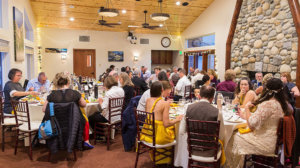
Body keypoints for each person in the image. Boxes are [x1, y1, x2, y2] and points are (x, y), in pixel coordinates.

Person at [225, 78, 290, 167]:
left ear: (267, 90)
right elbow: (262, 119)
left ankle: (233, 165)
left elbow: (252, 125)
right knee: (237, 133)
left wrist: (247, 108)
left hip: (265, 143)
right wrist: (244, 116)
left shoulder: (268, 104)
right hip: (274, 141)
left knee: (232, 136)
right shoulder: (281, 104)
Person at [42, 72, 93, 149]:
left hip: (56, 123)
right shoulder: (75, 93)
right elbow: (84, 104)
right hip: (74, 122)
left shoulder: (52, 95)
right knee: (84, 118)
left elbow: (44, 109)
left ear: (56, 83)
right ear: (68, 82)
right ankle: (86, 141)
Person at [140, 81, 183, 164]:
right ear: (162, 90)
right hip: (159, 136)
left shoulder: (148, 100)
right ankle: (169, 159)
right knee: (175, 131)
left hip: (147, 133)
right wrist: (177, 119)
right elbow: (166, 124)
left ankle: (161, 157)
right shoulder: (164, 103)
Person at [186, 85, 225, 157]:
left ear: (199, 95)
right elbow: (221, 135)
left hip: (192, 149)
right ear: (212, 98)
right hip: (210, 150)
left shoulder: (189, 108)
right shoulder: (217, 112)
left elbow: (182, 131)